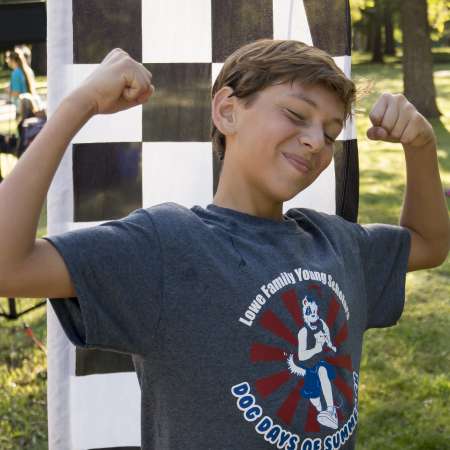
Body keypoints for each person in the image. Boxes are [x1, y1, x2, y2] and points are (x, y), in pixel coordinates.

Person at [0, 40, 448, 450]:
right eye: (295, 115)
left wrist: (422, 146)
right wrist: (80, 103)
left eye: (330, 133)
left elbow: (430, 243)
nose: (315, 141)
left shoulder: (335, 240)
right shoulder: (166, 245)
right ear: (227, 111)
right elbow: (9, 265)